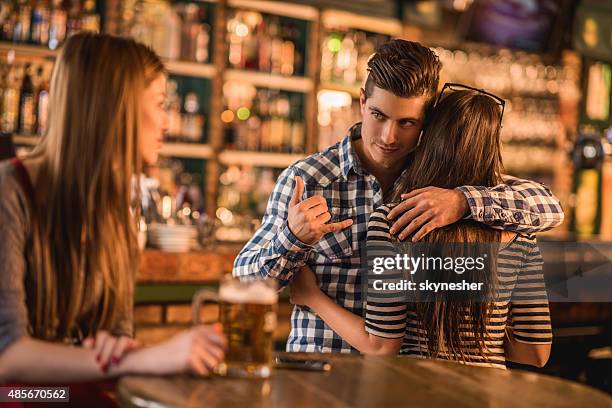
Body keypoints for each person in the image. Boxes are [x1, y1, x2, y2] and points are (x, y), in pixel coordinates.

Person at [233, 39, 563, 353]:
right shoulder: (308, 179)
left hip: (400, 381)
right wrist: (293, 239)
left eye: (407, 122)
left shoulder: (441, 179)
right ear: (362, 102)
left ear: (428, 121)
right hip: (323, 367)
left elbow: (548, 208)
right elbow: (244, 284)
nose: (389, 137)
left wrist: (462, 202)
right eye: (378, 116)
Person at [0, 33, 226, 384]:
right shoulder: (10, 192)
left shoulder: (115, 209)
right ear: (116, 106)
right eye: (160, 103)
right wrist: (140, 358)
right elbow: (8, 358)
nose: (167, 123)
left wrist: (114, 350)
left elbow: (117, 339)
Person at [289, 86, 552, 369]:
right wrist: (478, 341)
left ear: (426, 137)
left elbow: (380, 346)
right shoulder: (520, 234)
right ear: (493, 148)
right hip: (489, 395)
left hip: (415, 389)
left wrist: (311, 297)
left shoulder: (393, 223)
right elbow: (536, 353)